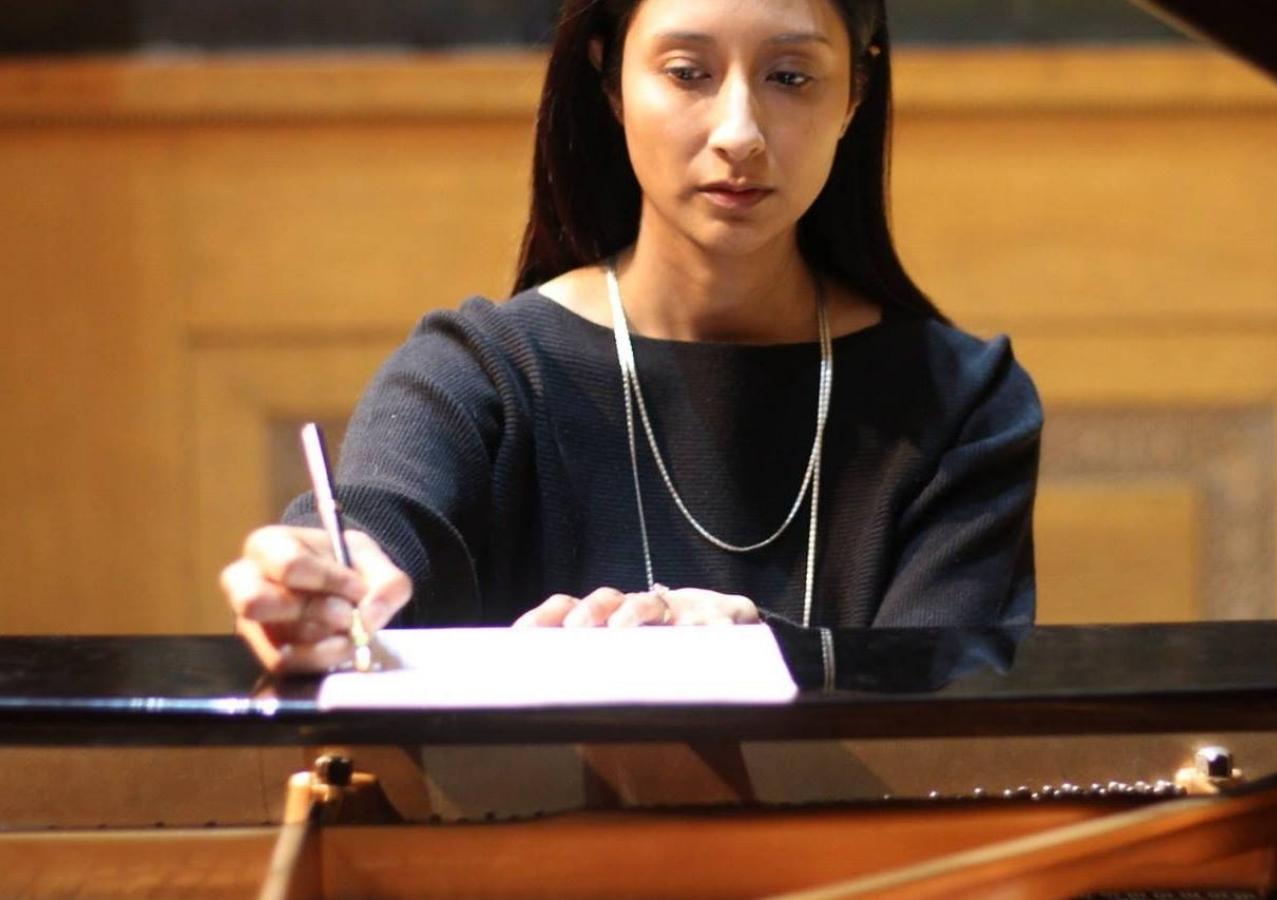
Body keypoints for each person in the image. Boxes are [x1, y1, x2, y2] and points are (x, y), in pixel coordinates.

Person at [220, 0, 1043, 673]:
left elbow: (947, 706)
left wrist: (754, 656)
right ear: (611, 78)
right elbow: (384, 521)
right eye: (689, 74)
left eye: (791, 77)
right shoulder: (481, 371)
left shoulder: (965, 404)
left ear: (855, 94)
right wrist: (325, 582)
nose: (739, 133)